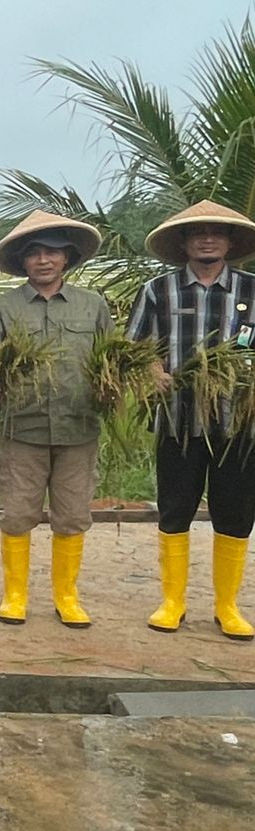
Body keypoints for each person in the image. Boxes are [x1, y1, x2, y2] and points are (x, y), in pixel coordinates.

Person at [0, 211, 110, 627]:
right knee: (17, 513)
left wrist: (112, 386)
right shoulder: (2, 309)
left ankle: (66, 595)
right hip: (21, 430)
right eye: (34, 254)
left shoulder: (94, 307)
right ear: (23, 262)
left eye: (52, 252)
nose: (43, 261)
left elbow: (110, 360)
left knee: (71, 516)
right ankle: (15, 596)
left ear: (67, 258)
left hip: (78, 428)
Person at [127, 199, 255, 639]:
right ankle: (172, 602)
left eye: (216, 232)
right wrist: (154, 372)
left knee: (235, 514)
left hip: (238, 423)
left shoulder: (252, 291)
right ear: (182, 241)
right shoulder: (158, 291)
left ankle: (227, 606)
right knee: (175, 508)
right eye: (197, 232)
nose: (207, 238)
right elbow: (136, 348)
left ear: (230, 242)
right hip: (178, 421)